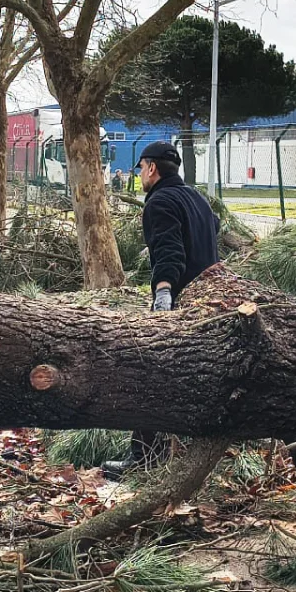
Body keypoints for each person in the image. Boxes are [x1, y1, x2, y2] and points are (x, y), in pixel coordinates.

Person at [103, 141, 221, 479]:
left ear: (152, 168)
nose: (139, 173)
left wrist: (163, 297)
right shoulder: (196, 198)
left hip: (182, 306)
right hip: (211, 302)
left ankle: (144, 459)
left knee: (149, 374)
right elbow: (213, 227)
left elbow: (169, 252)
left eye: (141, 167)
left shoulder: (159, 201)